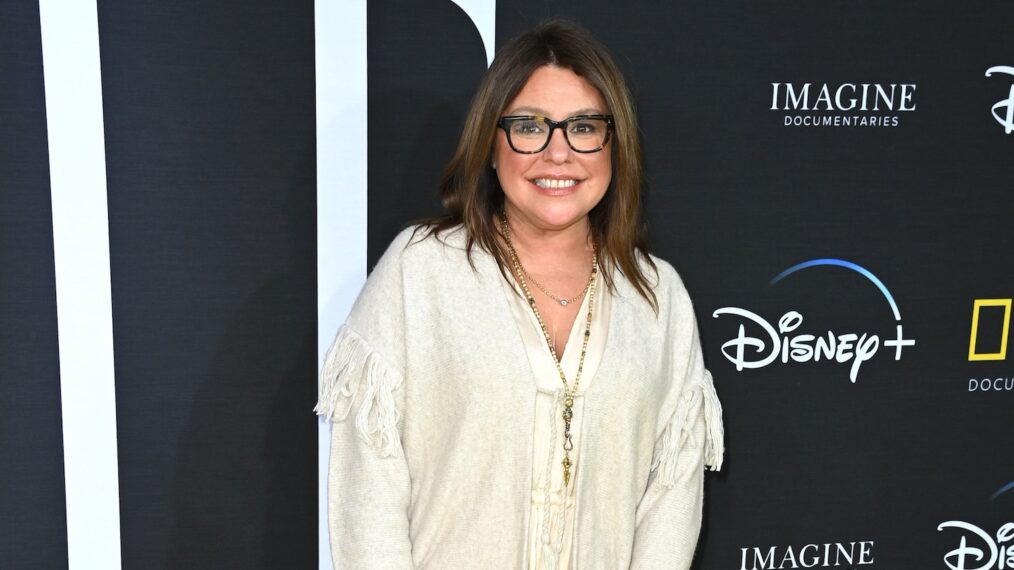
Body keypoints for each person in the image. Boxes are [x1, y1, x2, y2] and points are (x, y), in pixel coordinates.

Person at [316, 19, 724, 569]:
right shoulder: (420, 272)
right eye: (529, 127)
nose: (558, 154)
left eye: (583, 127)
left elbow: (671, 504)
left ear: (613, 144)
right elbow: (369, 489)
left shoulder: (658, 297)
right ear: (490, 144)